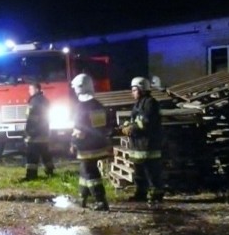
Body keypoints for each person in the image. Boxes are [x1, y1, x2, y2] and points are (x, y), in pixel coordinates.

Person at [69, 74, 112, 211]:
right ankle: (82, 197)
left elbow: (79, 130)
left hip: (86, 146)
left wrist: (73, 143)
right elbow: (105, 126)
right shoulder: (98, 105)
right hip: (99, 144)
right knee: (84, 170)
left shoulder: (81, 107)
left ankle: (101, 201)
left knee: (91, 173)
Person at [122, 76, 164, 206]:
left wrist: (131, 128)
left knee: (151, 172)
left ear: (141, 89)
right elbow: (133, 119)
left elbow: (146, 123)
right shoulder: (138, 104)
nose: (132, 92)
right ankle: (141, 193)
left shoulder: (151, 103)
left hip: (148, 145)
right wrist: (125, 126)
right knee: (139, 172)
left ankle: (156, 195)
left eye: (134, 90)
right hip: (138, 146)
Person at [23, 81, 55, 180]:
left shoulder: (33, 102)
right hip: (44, 131)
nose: (29, 91)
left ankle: (31, 175)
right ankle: (50, 171)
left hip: (35, 133)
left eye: (30, 89)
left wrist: (27, 131)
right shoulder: (45, 100)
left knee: (32, 155)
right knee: (45, 152)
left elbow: (31, 119)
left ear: (36, 89)